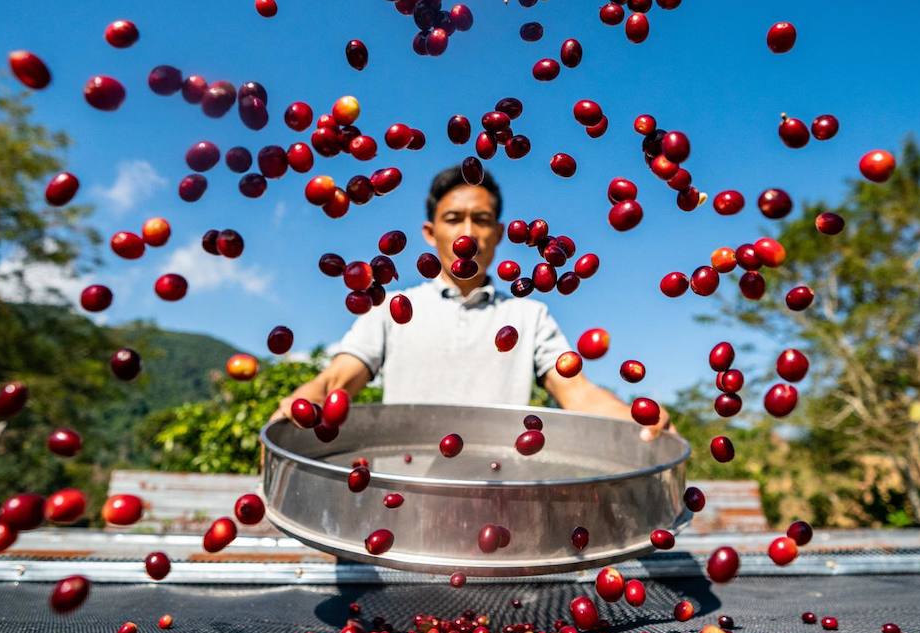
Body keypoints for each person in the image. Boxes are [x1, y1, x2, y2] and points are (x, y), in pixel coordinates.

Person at [274, 166, 671, 441]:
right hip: (403, 493)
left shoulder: (527, 315)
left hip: (499, 495)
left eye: (481, 220)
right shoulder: (391, 307)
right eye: (453, 218)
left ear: (499, 233)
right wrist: (305, 399)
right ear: (430, 233)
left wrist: (639, 419)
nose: (468, 233)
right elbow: (339, 379)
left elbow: (577, 392)